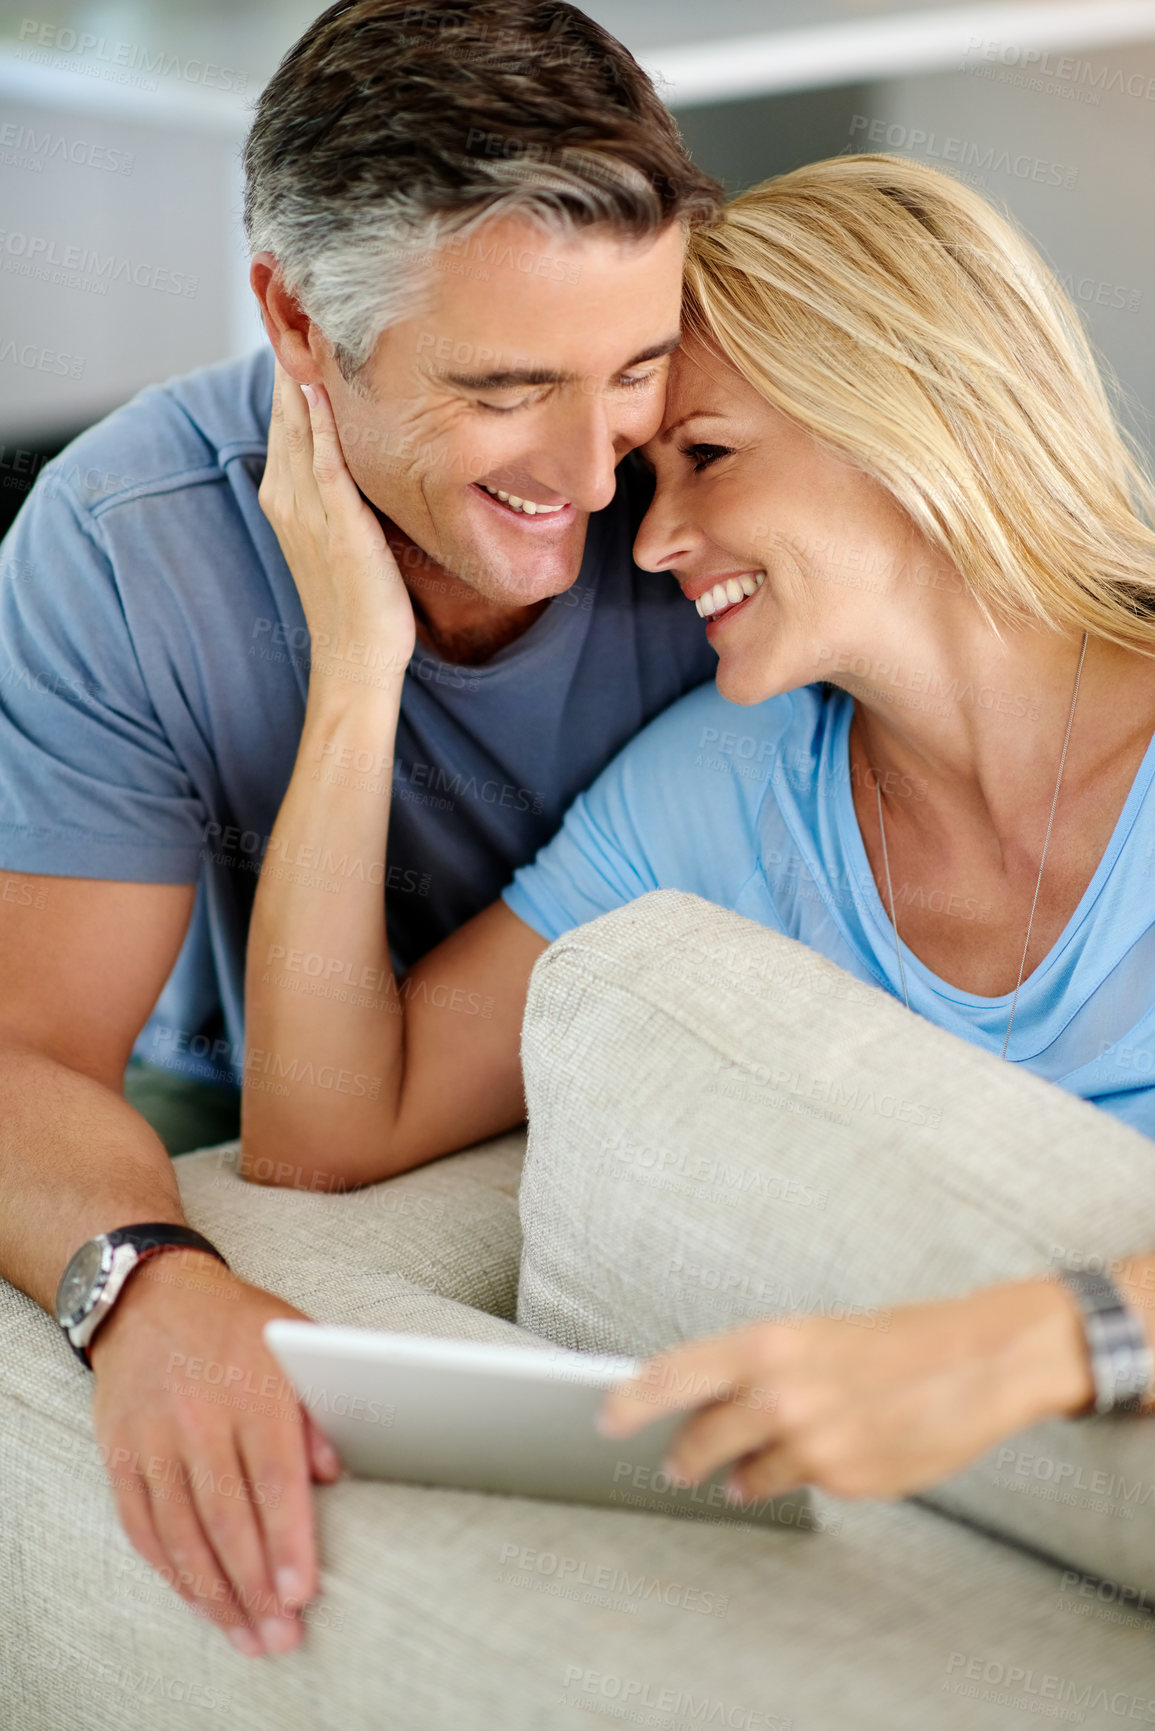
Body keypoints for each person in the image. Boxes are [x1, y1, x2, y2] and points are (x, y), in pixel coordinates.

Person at [251, 154, 1155, 1524]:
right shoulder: (728, 784)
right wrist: (358, 663)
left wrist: (1025, 1347)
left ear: (915, 417)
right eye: (647, 470)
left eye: (707, 458)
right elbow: (323, 1131)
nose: (655, 537)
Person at [0, 0, 722, 1656]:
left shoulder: (714, 471)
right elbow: (30, 1051)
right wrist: (149, 1288)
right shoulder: (127, 542)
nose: (595, 477)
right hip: (258, 1086)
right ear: (299, 323)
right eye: (504, 388)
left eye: (629, 368)